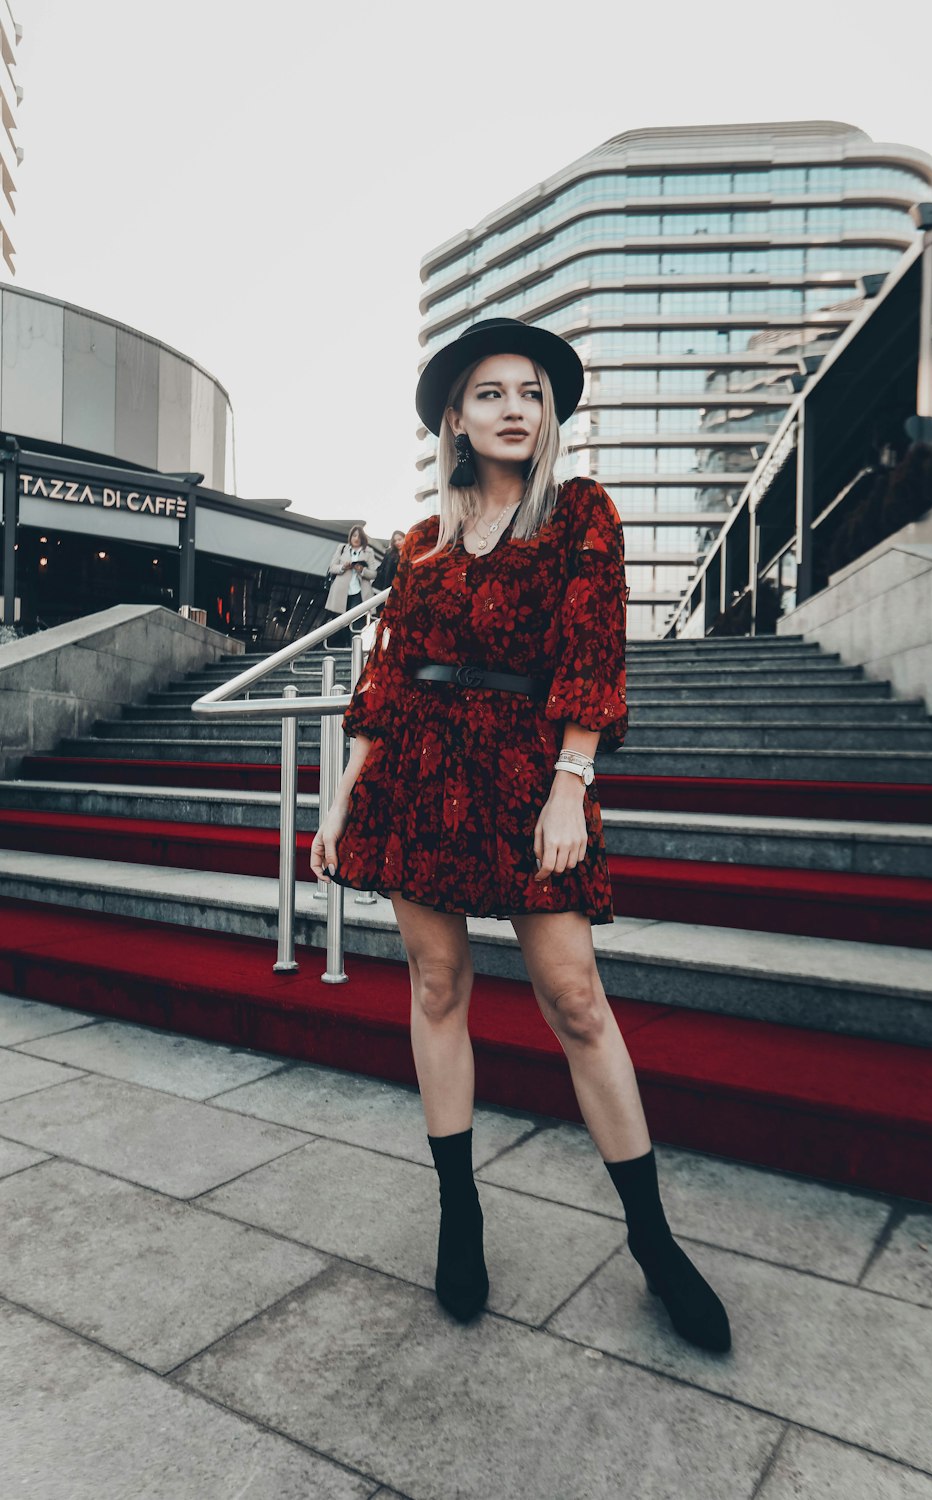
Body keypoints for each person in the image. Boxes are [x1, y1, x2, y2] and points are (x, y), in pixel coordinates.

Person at [310, 317, 731, 1353]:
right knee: (438, 986)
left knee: (577, 1000)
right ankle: (461, 1211)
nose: (513, 409)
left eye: (531, 394)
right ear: (454, 415)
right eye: (491, 392)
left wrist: (568, 782)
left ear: (548, 416)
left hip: (526, 770)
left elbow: (594, 651)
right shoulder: (421, 541)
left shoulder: (581, 512)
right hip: (414, 771)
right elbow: (382, 681)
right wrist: (338, 798)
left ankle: (652, 1242)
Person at [324, 525, 376, 646]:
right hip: (341, 590)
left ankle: (355, 647)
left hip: (360, 590)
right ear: (350, 537)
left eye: (359, 536)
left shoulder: (368, 551)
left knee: (356, 618)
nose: (356, 538)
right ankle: (345, 644)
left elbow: (374, 573)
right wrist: (343, 567)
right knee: (341, 619)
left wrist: (362, 570)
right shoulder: (342, 548)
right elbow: (332, 567)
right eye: (354, 535)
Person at [371, 529, 406, 616]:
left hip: (404, 588)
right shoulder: (390, 553)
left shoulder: (411, 552)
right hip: (389, 587)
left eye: (399, 539)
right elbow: (382, 569)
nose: (397, 542)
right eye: (395, 541)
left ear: (405, 538)